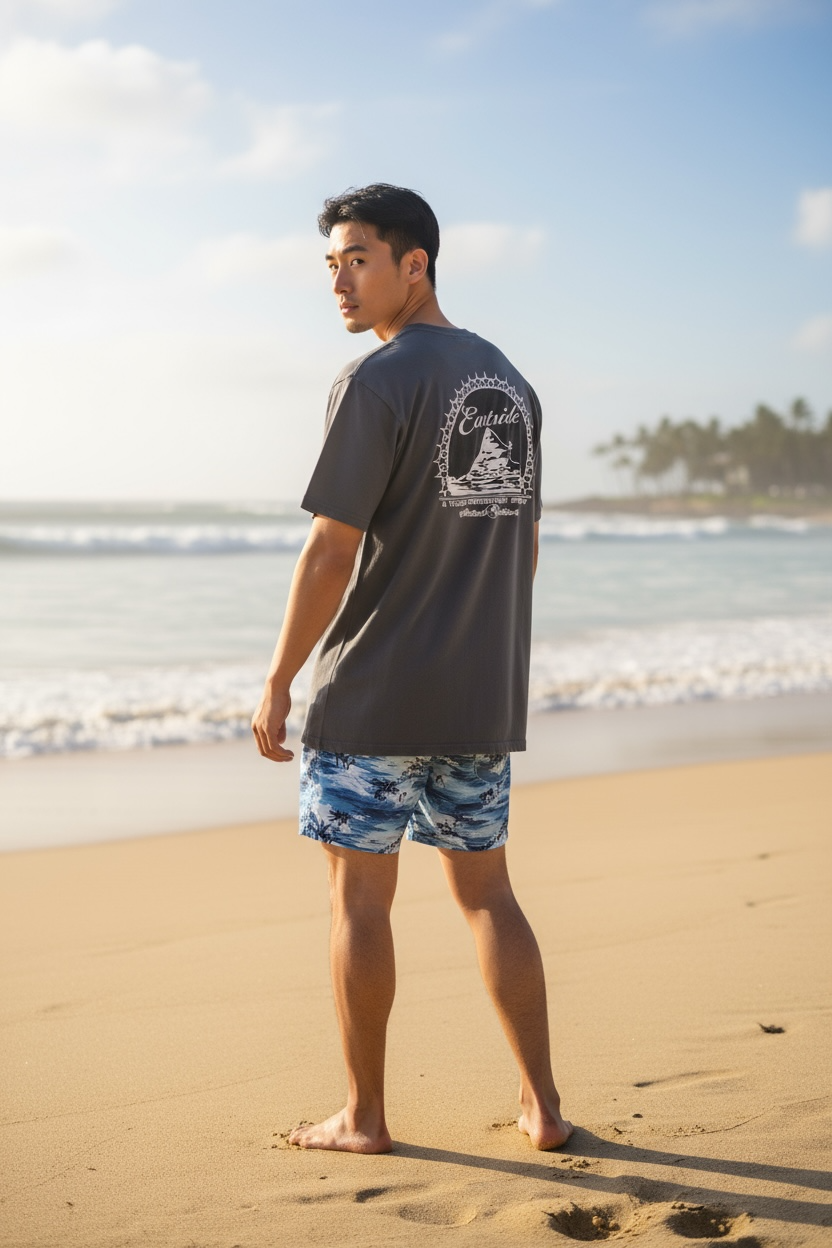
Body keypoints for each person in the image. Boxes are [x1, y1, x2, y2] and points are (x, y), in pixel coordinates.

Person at [251, 183, 572, 1156]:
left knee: (360, 903)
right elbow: (521, 549)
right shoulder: (512, 385)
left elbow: (329, 553)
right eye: (331, 264)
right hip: (476, 703)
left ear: (414, 265)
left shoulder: (376, 380)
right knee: (488, 896)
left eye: (357, 258)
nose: (339, 281)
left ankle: (365, 1117)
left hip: (374, 701)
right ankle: (543, 1109)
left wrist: (276, 680)